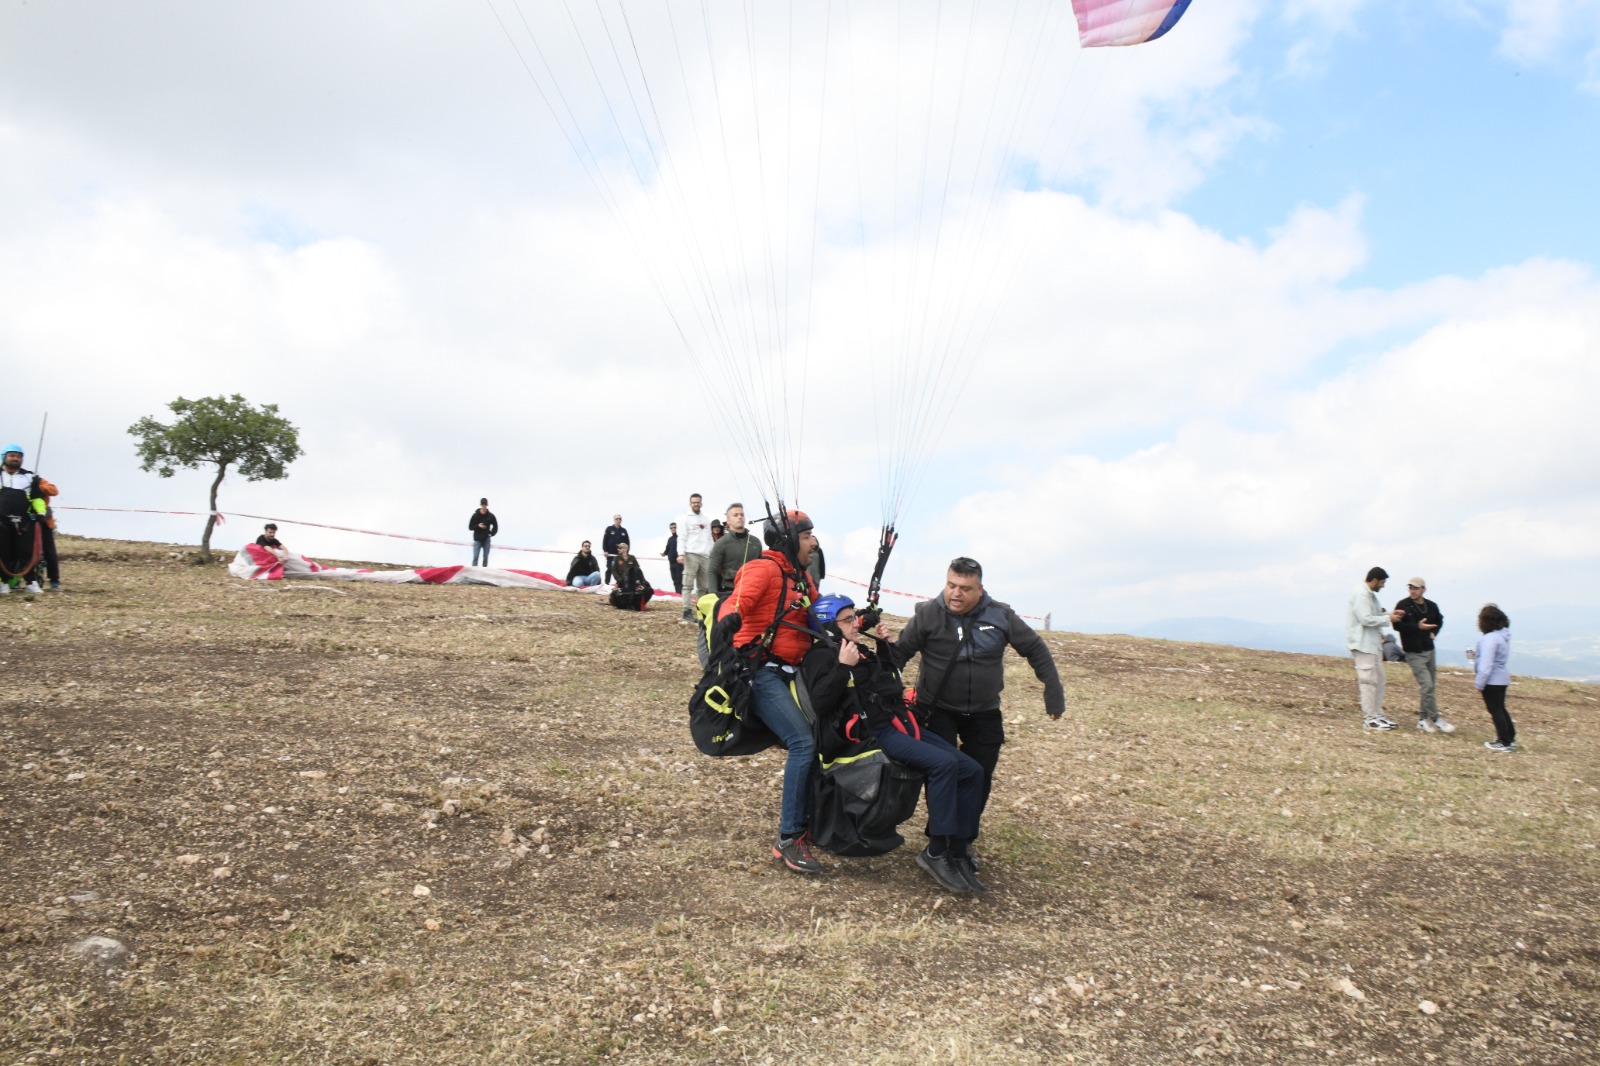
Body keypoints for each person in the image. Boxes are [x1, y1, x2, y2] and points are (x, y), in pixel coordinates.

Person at [805, 593, 987, 893]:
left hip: (898, 722)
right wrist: (841, 668)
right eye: (848, 619)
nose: (855, 623)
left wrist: (885, 648)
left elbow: (890, 683)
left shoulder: (859, 649)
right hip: (875, 732)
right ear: (829, 625)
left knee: (972, 770)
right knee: (944, 765)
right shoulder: (821, 656)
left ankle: (958, 848)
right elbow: (821, 704)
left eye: (854, 617)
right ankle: (936, 852)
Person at [895, 557, 1065, 838]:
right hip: (937, 710)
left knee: (980, 777)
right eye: (951, 585)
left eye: (964, 588)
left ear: (980, 590)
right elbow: (900, 654)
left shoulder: (1000, 615)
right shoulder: (927, 614)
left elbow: (1035, 648)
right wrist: (886, 692)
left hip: (984, 711)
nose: (956, 593)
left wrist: (1053, 692)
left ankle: (963, 840)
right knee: (944, 774)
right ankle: (940, 841)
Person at [716, 510, 821, 873]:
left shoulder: (802, 577)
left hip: (794, 671)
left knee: (826, 736)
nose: (814, 543)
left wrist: (852, 620)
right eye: (808, 536)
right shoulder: (764, 569)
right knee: (803, 742)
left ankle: (818, 824)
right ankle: (789, 838)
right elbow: (736, 601)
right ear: (792, 540)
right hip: (758, 671)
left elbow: (819, 615)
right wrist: (728, 618)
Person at [1346, 566, 1406, 731]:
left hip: (1372, 645)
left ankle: (1377, 714)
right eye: (1382, 582)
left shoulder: (1369, 595)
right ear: (1374, 580)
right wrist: (1388, 619)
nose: (1383, 586)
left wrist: (1391, 614)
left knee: (1379, 680)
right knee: (1368, 682)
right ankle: (1370, 719)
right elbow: (1365, 619)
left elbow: (1374, 615)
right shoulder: (1360, 594)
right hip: (1363, 644)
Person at [1394, 577, 1454, 734]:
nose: (1412, 591)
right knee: (1426, 685)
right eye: (1410, 588)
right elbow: (1397, 625)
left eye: (1416, 588)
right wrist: (1417, 627)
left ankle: (1422, 719)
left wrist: (1434, 632)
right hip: (1413, 651)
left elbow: (1439, 620)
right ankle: (1436, 719)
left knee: (1429, 687)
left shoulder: (1431, 606)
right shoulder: (1403, 605)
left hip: (1429, 649)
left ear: (1423, 589)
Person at [0, 444, 45, 594]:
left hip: (23, 522)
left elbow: (37, 498)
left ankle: (31, 582)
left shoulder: (29, 477)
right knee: (4, 551)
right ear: (4, 457)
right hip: (2, 522)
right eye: (12, 456)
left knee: (25, 552)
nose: (15, 459)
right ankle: (4, 583)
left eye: (19, 456)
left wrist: (40, 513)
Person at [1473, 603, 1516, 753]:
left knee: (1495, 710)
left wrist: (1479, 683)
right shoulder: (1501, 637)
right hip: (1502, 678)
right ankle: (1510, 738)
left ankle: (1503, 741)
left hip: (1492, 680)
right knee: (1501, 709)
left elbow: (1486, 665)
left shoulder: (1490, 639)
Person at [708, 502, 763, 594]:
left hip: (754, 590)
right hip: (730, 591)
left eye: (742, 514)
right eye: (735, 515)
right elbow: (712, 570)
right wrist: (713, 596)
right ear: (728, 520)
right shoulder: (721, 543)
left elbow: (762, 568)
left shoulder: (756, 542)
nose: (740, 517)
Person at [677, 494, 713, 625]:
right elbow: (681, 537)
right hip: (691, 553)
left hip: (705, 555)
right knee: (688, 584)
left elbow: (709, 538)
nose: (696, 504)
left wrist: (712, 553)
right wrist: (680, 553)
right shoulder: (685, 518)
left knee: (703, 586)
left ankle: (701, 612)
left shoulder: (706, 519)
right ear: (690, 504)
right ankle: (686, 611)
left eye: (698, 502)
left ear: (701, 503)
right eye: (693, 502)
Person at [33, 472, 60, 591]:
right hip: (26, 521)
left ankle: (54, 580)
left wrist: (39, 488)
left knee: (49, 551)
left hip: (44, 521)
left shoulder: (38, 481)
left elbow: (54, 490)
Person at [607, 542, 653, 611]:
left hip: (633, 581)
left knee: (647, 590)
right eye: (618, 548)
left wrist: (640, 581)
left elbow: (637, 570)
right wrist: (620, 580)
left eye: (620, 548)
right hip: (622, 582)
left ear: (625, 549)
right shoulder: (616, 558)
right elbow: (614, 571)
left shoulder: (632, 558)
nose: (618, 549)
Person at [468, 498, 498, 566]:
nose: (484, 507)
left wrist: (491, 533)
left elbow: (495, 526)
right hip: (477, 539)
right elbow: (470, 527)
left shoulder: (490, 516)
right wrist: (478, 526)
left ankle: (484, 572)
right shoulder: (475, 515)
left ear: (487, 505)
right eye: (483, 505)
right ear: (481, 505)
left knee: (485, 558)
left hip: (486, 538)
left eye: (485, 505)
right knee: (475, 557)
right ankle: (474, 571)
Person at [602, 514, 630, 582]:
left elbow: (627, 543)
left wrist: (626, 553)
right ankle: (606, 583)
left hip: (620, 555)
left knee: (620, 570)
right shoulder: (609, 529)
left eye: (620, 519)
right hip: (610, 554)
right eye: (617, 519)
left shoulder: (624, 531)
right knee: (609, 568)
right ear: (614, 520)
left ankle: (620, 584)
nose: (618, 520)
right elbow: (605, 540)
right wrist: (605, 550)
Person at [664, 522, 683, 595]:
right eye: (671, 528)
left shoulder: (680, 538)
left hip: (679, 563)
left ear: (677, 528)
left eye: (674, 527)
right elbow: (667, 548)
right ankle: (677, 594)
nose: (673, 529)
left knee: (679, 580)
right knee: (674, 579)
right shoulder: (670, 539)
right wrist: (664, 553)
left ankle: (680, 594)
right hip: (671, 563)